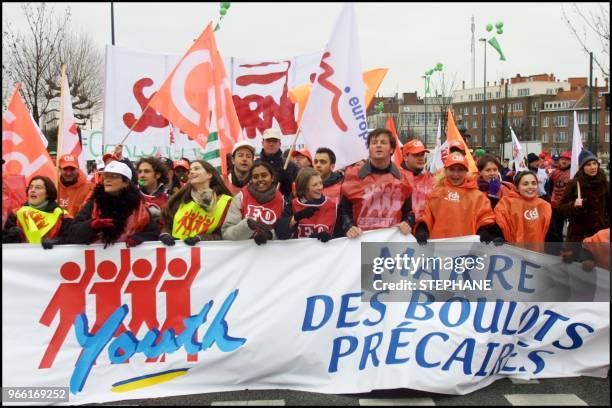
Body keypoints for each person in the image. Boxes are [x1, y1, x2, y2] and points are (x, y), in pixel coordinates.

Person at [339, 128, 412, 238]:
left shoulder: (405, 177)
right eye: (374, 143)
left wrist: (408, 222)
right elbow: (343, 210)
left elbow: (410, 211)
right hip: (360, 240)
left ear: (392, 149)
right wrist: (349, 226)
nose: (378, 145)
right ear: (369, 149)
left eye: (383, 142)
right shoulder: (353, 175)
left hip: (392, 240)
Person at [67, 161, 160, 248]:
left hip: (128, 261)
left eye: (113, 176)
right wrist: (90, 226)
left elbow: (154, 233)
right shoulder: (93, 203)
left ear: (126, 182)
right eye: (106, 176)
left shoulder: (139, 208)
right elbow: (72, 233)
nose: (107, 180)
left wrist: (139, 238)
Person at [414, 153, 499, 244]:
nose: (455, 174)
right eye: (452, 169)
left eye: (460, 170)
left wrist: (483, 233)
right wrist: (422, 230)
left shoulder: (478, 196)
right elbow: (426, 216)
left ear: (466, 171)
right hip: (438, 249)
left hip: (468, 250)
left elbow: (485, 218)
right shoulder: (435, 193)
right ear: (445, 171)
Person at [160, 160, 233, 245]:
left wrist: (201, 238)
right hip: (177, 253)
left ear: (209, 175)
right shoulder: (181, 199)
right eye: (190, 170)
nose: (191, 172)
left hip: (205, 253)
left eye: (196, 168)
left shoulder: (226, 202)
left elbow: (224, 234)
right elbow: (168, 225)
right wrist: (165, 234)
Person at [558, 150, 609, 261]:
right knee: (580, 268)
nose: (592, 167)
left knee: (601, 265)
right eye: (588, 164)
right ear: (582, 167)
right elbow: (561, 208)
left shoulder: (604, 182)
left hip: (599, 234)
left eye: (594, 164)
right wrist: (573, 205)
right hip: (578, 236)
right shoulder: (574, 184)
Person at [222, 161, 283, 244]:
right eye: (255, 177)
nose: (260, 179)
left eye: (264, 175)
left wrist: (270, 235)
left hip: (270, 254)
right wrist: (247, 226)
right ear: (251, 180)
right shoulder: (241, 197)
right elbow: (226, 234)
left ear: (272, 177)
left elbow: (286, 233)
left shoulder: (281, 200)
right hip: (243, 253)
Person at [2, 176, 72, 247]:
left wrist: (57, 242)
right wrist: (11, 236)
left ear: (48, 193)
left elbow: (71, 239)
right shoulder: (16, 214)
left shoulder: (62, 216)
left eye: (38, 188)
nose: (32, 190)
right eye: (30, 187)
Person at [494, 171, 554, 252]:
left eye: (533, 183)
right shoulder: (505, 204)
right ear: (517, 187)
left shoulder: (544, 206)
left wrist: (560, 251)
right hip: (512, 254)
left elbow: (551, 234)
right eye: (525, 184)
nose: (530, 187)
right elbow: (499, 227)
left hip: (537, 255)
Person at [276, 167, 338, 242]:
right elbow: (280, 233)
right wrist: (296, 217)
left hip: (324, 252)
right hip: (300, 252)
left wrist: (329, 238)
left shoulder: (332, 205)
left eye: (320, 183)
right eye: (315, 185)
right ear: (304, 188)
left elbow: (340, 237)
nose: (320, 187)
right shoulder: (293, 204)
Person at [400, 139, 434, 224]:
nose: (421, 158)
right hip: (401, 232)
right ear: (405, 157)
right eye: (416, 155)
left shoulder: (432, 179)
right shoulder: (396, 178)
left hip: (425, 231)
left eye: (422, 155)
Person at [258, 128, 298, 197]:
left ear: (280, 144)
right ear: (262, 143)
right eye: (268, 141)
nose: (271, 144)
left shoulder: (290, 165)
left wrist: (287, 180)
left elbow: (298, 190)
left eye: (274, 141)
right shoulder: (255, 165)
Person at [547, 151, 571, 241]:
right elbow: (549, 188)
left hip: (569, 205)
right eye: (562, 159)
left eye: (567, 159)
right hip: (556, 205)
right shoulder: (554, 173)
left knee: (571, 227)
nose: (564, 161)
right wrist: (552, 199)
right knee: (557, 227)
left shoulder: (574, 172)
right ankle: (558, 246)